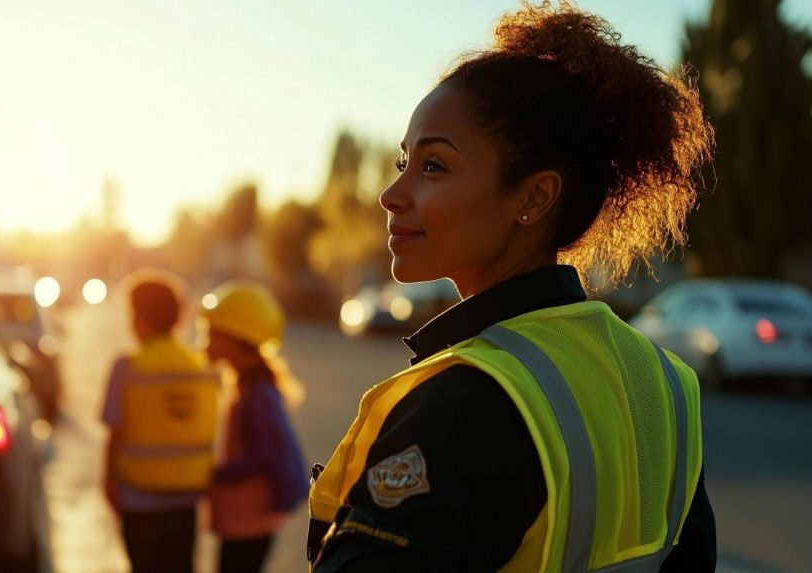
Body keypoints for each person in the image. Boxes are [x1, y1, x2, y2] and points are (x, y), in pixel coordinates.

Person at [307, 3, 717, 572]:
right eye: (405, 161)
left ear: (532, 198)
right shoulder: (664, 383)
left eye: (433, 167)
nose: (391, 194)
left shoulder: (465, 402)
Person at [101, 270, 220, 573]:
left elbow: (114, 431)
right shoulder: (201, 366)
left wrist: (108, 482)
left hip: (138, 498)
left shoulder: (127, 367)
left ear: (139, 317)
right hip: (186, 498)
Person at [200, 280, 308, 573]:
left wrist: (211, 474)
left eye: (212, 334)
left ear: (238, 339)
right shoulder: (246, 384)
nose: (204, 342)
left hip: (249, 518)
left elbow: (264, 455)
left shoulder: (257, 393)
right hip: (244, 518)